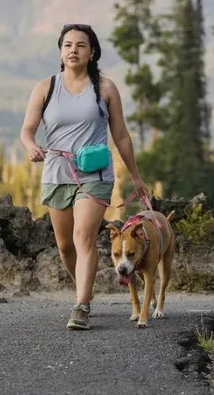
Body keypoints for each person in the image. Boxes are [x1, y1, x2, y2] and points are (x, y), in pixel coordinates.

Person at [20, 23, 150, 330]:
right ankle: (84, 288)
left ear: (92, 53)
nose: (73, 50)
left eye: (80, 45)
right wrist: (31, 146)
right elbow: (27, 130)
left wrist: (136, 177)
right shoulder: (45, 87)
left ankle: (81, 306)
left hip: (94, 175)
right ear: (61, 52)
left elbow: (120, 135)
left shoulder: (104, 89)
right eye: (67, 45)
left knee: (84, 236)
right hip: (56, 173)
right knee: (66, 246)